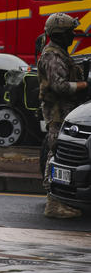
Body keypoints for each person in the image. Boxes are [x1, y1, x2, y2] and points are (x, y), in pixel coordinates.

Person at [37, 12, 88, 219]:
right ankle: (53, 202)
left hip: (66, 111)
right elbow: (59, 86)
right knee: (55, 154)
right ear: (59, 35)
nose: (72, 37)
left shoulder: (60, 53)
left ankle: (60, 199)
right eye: (69, 33)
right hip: (58, 112)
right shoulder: (52, 56)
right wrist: (85, 85)